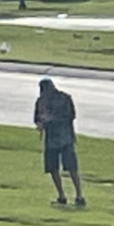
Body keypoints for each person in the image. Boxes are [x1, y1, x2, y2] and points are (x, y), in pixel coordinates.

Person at [33, 78, 85, 207]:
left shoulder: (63, 99)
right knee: (54, 168)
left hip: (64, 138)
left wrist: (50, 120)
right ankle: (63, 195)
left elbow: (70, 116)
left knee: (70, 168)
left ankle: (77, 195)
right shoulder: (41, 102)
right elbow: (37, 118)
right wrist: (40, 123)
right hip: (54, 139)